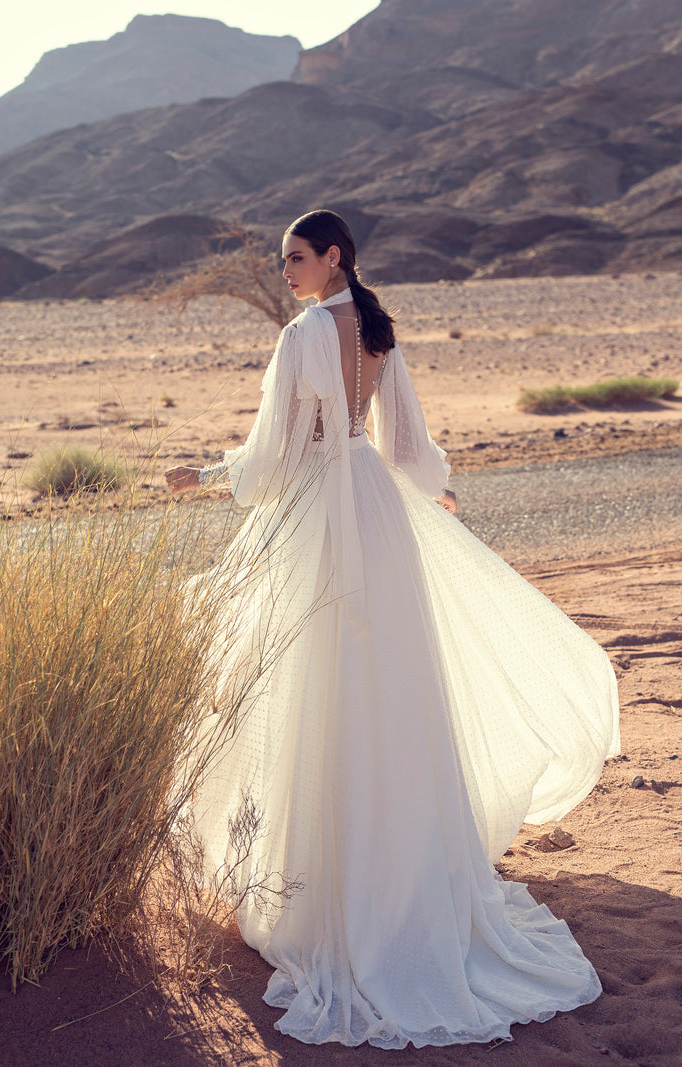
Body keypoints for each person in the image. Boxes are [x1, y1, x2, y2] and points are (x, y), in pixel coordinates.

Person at [164, 209, 619, 1050]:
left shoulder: (303, 334)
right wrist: (430, 490)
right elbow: (404, 442)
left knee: (310, 689)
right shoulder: (376, 326)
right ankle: (398, 881)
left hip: (316, 519)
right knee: (387, 691)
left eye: (296, 256)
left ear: (333, 257)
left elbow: (269, 460)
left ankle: (323, 896)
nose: (286, 269)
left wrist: (208, 470)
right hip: (375, 514)